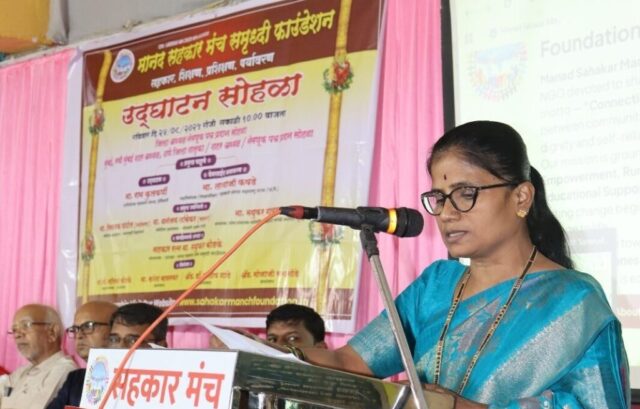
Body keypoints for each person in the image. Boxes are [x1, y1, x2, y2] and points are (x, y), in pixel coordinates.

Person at [221, 121, 629, 408]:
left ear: (521, 197)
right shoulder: (436, 285)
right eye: (439, 197)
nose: (447, 213)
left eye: (466, 193)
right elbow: (349, 362)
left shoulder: (574, 301)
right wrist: (258, 351)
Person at [0, 304, 77, 408]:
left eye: (26, 325)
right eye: (14, 330)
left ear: (52, 332)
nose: (17, 335)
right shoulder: (21, 372)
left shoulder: (65, 371)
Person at [46, 301, 117, 409]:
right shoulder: (75, 379)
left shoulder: (132, 380)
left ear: (115, 330)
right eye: (75, 329)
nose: (79, 335)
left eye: (88, 326)